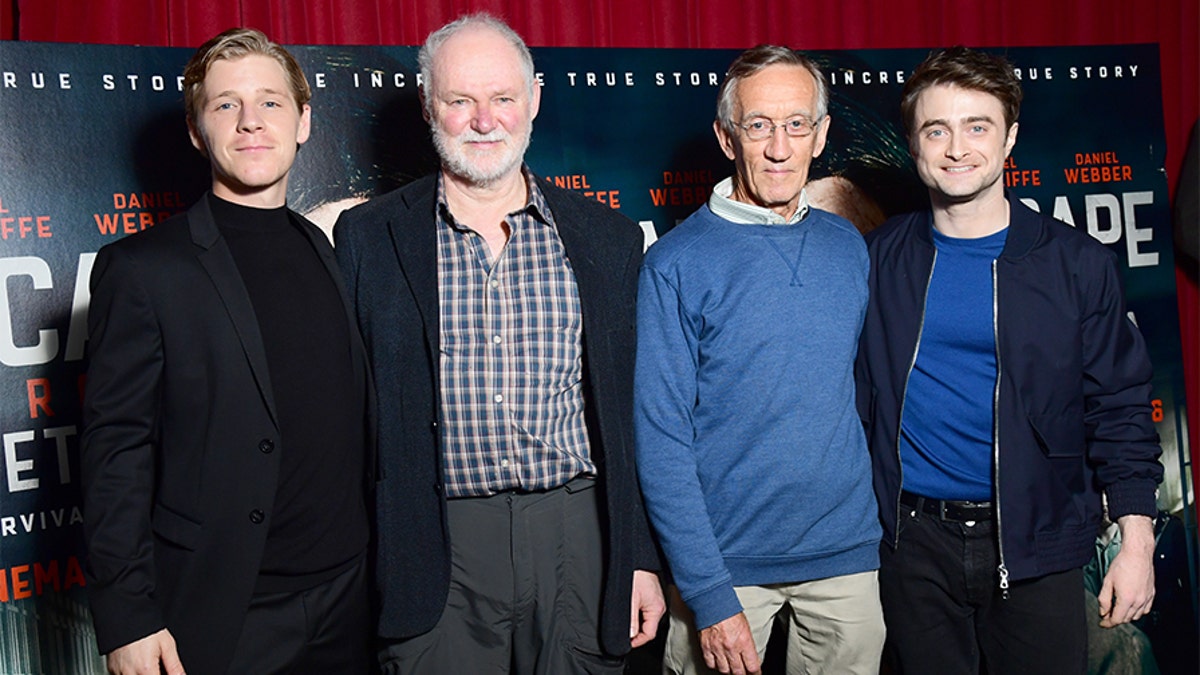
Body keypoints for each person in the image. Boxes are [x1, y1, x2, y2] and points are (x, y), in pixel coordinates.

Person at [333, 13, 664, 674]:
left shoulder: (608, 239)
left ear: (534, 100)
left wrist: (641, 558)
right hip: (434, 544)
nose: (485, 120)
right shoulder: (366, 239)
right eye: (460, 101)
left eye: (503, 99)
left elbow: (636, 418)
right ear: (429, 105)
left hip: (579, 536)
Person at [855, 46, 1163, 673]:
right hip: (911, 545)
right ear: (913, 142)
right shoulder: (877, 258)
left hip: (1038, 540)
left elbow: (1121, 408)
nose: (956, 148)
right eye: (935, 129)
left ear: (1010, 138)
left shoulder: (1077, 265)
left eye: (978, 126)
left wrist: (1137, 541)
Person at [81, 28, 373, 675]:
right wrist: (129, 615)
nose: (250, 122)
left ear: (303, 121)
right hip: (228, 608)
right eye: (225, 105)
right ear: (195, 129)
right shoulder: (142, 269)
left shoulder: (331, 250)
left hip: (350, 598)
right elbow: (114, 450)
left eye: (270, 102)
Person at [634, 45, 885, 675]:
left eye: (797, 124)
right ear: (727, 137)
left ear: (820, 134)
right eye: (759, 125)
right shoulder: (675, 263)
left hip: (846, 556)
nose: (779, 147)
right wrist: (708, 593)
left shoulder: (847, 246)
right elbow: (660, 438)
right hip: (727, 566)